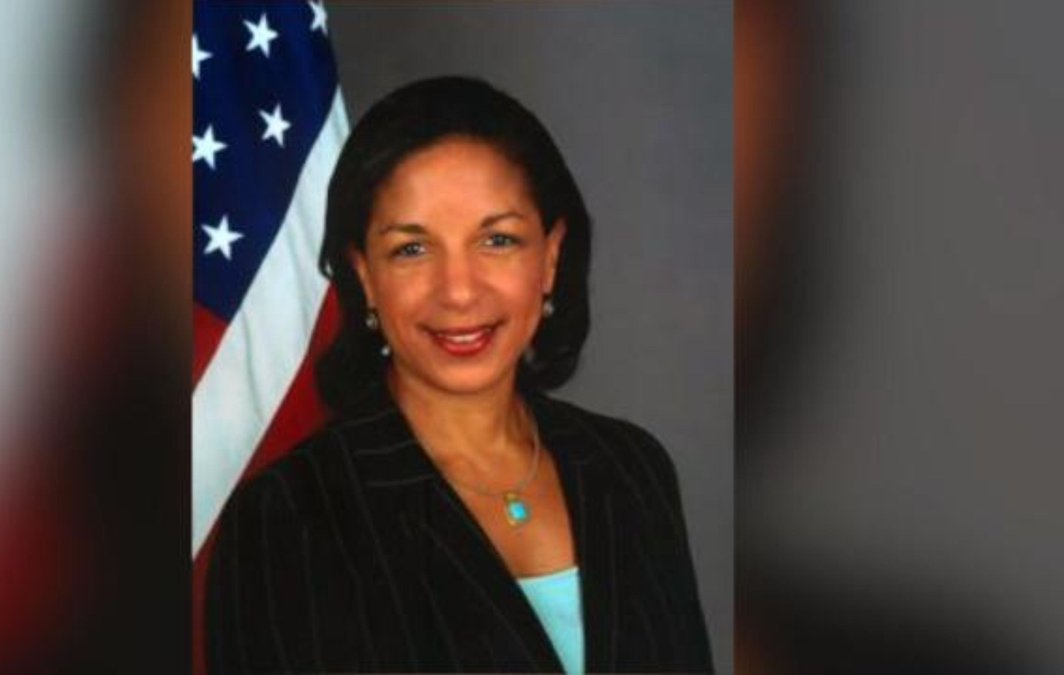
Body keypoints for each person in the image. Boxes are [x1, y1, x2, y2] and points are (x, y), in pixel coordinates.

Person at [205, 76, 712, 674]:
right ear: (363, 274)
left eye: (497, 240)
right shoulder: (287, 519)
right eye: (412, 249)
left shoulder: (633, 469)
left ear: (550, 257)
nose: (459, 291)